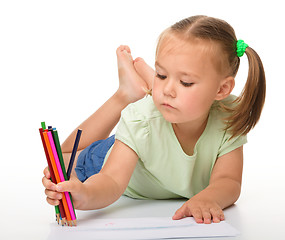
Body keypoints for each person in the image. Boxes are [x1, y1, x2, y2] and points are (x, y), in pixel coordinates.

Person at [42, 15, 266, 224]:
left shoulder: (229, 116)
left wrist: (209, 198)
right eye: (161, 75)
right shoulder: (140, 121)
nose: (168, 89)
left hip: (156, 134)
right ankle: (126, 94)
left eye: (185, 82)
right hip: (118, 152)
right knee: (62, 158)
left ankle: (148, 86)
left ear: (222, 89)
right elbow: (111, 180)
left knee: (160, 101)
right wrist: (84, 195)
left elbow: (229, 181)